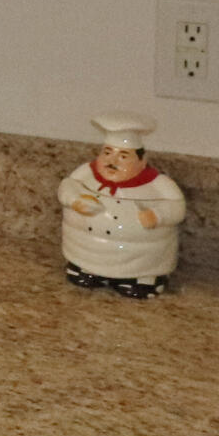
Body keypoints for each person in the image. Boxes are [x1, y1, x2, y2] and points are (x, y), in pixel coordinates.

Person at [58, 111, 184, 299]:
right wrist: (74, 200)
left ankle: (140, 280)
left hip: (140, 259)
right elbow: (67, 186)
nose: (112, 161)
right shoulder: (86, 173)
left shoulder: (158, 184)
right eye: (107, 153)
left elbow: (177, 207)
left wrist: (158, 215)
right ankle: (87, 270)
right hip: (85, 250)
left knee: (141, 272)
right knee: (84, 265)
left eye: (123, 156)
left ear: (142, 161)